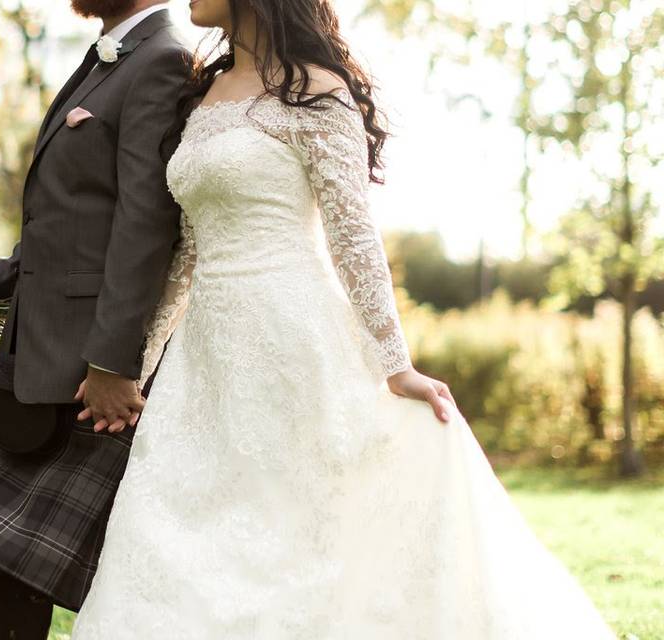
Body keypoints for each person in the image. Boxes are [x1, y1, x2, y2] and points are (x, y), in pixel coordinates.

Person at [69, 0, 617, 637]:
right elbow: (187, 256)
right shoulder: (204, 93)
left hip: (293, 333)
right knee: (192, 521)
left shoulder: (316, 92)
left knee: (302, 524)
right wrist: (134, 364)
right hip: (205, 359)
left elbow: (353, 240)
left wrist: (396, 365)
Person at [0, 2, 190, 638]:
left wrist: (113, 364)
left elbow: (145, 223)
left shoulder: (162, 59)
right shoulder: (109, 55)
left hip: (87, 367)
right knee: (1, 559)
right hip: (37, 348)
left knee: (28, 562)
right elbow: (67, 222)